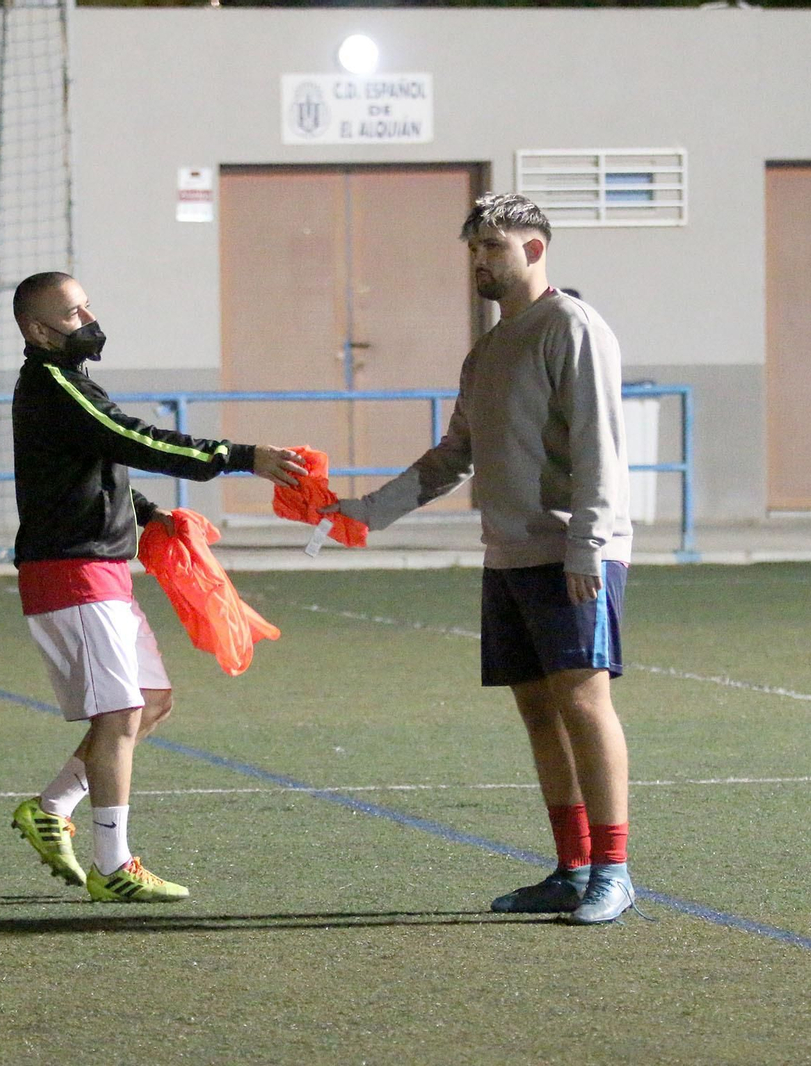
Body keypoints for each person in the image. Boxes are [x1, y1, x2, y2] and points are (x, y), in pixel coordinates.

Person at [323, 194, 638, 924]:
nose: (480, 262)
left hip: (571, 549)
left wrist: (589, 542)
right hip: (510, 552)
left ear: (534, 249)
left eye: (493, 247)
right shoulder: (488, 350)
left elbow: (601, 445)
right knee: (537, 709)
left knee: (585, 702)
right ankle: (571, 867)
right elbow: (453, 456)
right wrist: (367, 512)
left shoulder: (572, 326)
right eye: (473, 249)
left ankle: (614, 871)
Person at [7, 270, 306, 903]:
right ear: (38, 329)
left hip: (101, 568)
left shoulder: (71, 384)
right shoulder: (54, 384)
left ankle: (50, 808)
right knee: (121, 712)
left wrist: (149, 514)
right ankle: (113, 866)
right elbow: (129, 439)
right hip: (70, 570)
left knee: (152, 699)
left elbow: (95, 466)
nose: (88, 320)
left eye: (88, 306)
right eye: (73, 313)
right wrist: (242, 456)